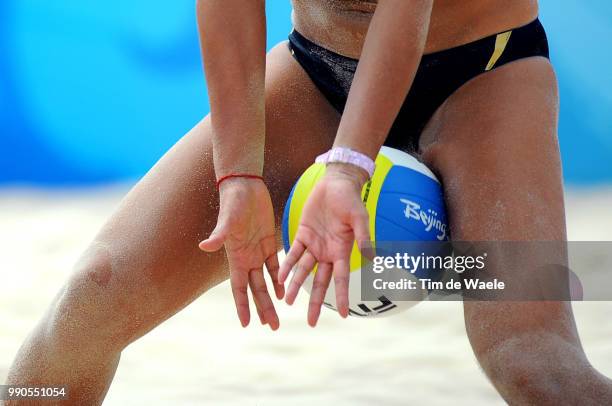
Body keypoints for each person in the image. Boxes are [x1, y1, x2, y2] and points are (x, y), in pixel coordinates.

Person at [6, 0, 612, 404]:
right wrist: (237, 177)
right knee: (94, 296)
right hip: (316, 69)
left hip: (484, 73)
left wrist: (347, 169)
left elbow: (404, 18)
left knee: (534, 364)